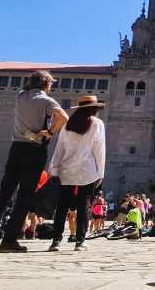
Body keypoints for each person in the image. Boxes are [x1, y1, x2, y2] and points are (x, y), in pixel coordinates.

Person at [0, 70, 69, 253]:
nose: (51, 86)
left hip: (16, 148)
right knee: (24, 197)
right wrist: (50, 132)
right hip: (35, 150)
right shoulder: (47, 100)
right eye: (51, 83)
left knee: (4, 194)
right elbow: (63, 117)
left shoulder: (20, 96)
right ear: (46, 84)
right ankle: (9, 241)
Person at [46, 95, 106, 252]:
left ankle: (56, 241)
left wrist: (54, 168)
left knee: (62, 206)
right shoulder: (97, 124)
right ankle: (80, 241)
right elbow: (99, 150)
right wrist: (100, 172)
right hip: (87, 171)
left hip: (66, 170)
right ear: (94, 109)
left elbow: (59, 148)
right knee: (83, 205)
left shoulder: (68, 124)